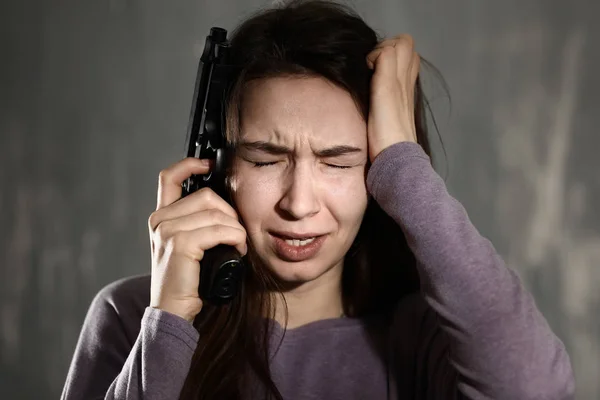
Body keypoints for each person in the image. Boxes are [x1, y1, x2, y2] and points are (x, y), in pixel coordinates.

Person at [61, 0, 575, 399]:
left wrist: (402, 159)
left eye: (339, 161)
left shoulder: (421, 337)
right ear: (218, 167)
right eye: (265, 159)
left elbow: (536, 388)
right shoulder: (133, 318)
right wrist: (168, 322)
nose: (299, 204)